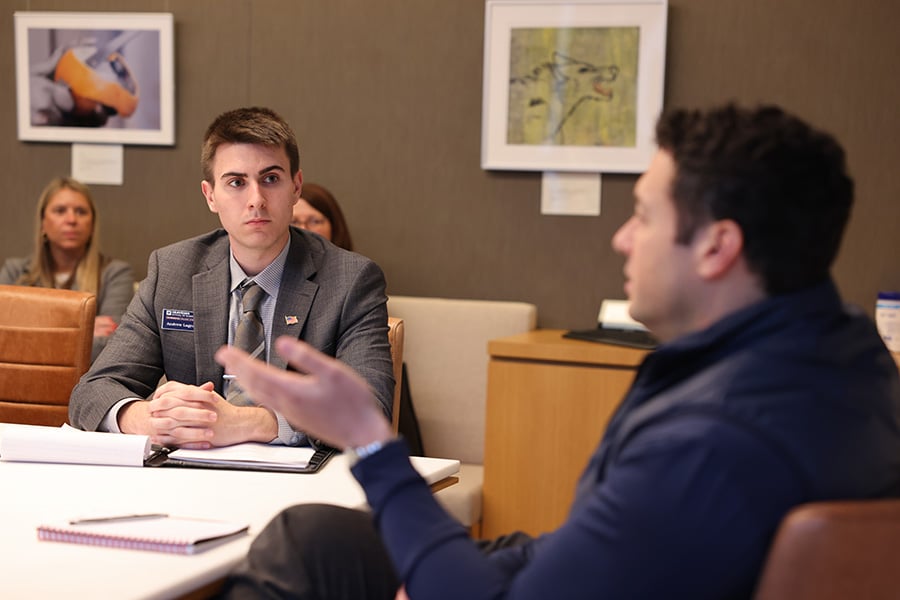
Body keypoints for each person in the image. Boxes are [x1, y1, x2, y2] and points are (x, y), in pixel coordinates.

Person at [214, 103, 900, 599]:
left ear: (719, 247)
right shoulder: (849, 356)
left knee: (296, 557)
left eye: (642, 215)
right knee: (312, 538)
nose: (621, 240)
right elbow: (610, 548)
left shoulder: (707, 444)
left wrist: (369, 438)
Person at [68, 106, 394, 449]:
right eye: (236, 182)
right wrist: (150, 418)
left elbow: (371, 412)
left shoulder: (350, 280)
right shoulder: (173, 271)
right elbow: (92, 391)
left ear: (296, 187)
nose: (256, 200)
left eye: (270, 179)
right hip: (192, 478)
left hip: (297, 483)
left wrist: (250, 422)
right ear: (210, 196)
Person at [0, 176, 134, 361]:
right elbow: (3, 341)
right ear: (43, 223)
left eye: (80, 211)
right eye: (60, 210)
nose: (71, 219)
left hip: (84, 386)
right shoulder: (14, 271)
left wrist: (30, 332)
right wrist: (81, 328)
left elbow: (112, 349)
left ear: (92, 224)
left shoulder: (115, 274)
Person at [291, 182, 354, 251]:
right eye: (294, 222)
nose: (303, 229)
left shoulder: (355, 261)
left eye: (314, 222)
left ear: (334, 226)